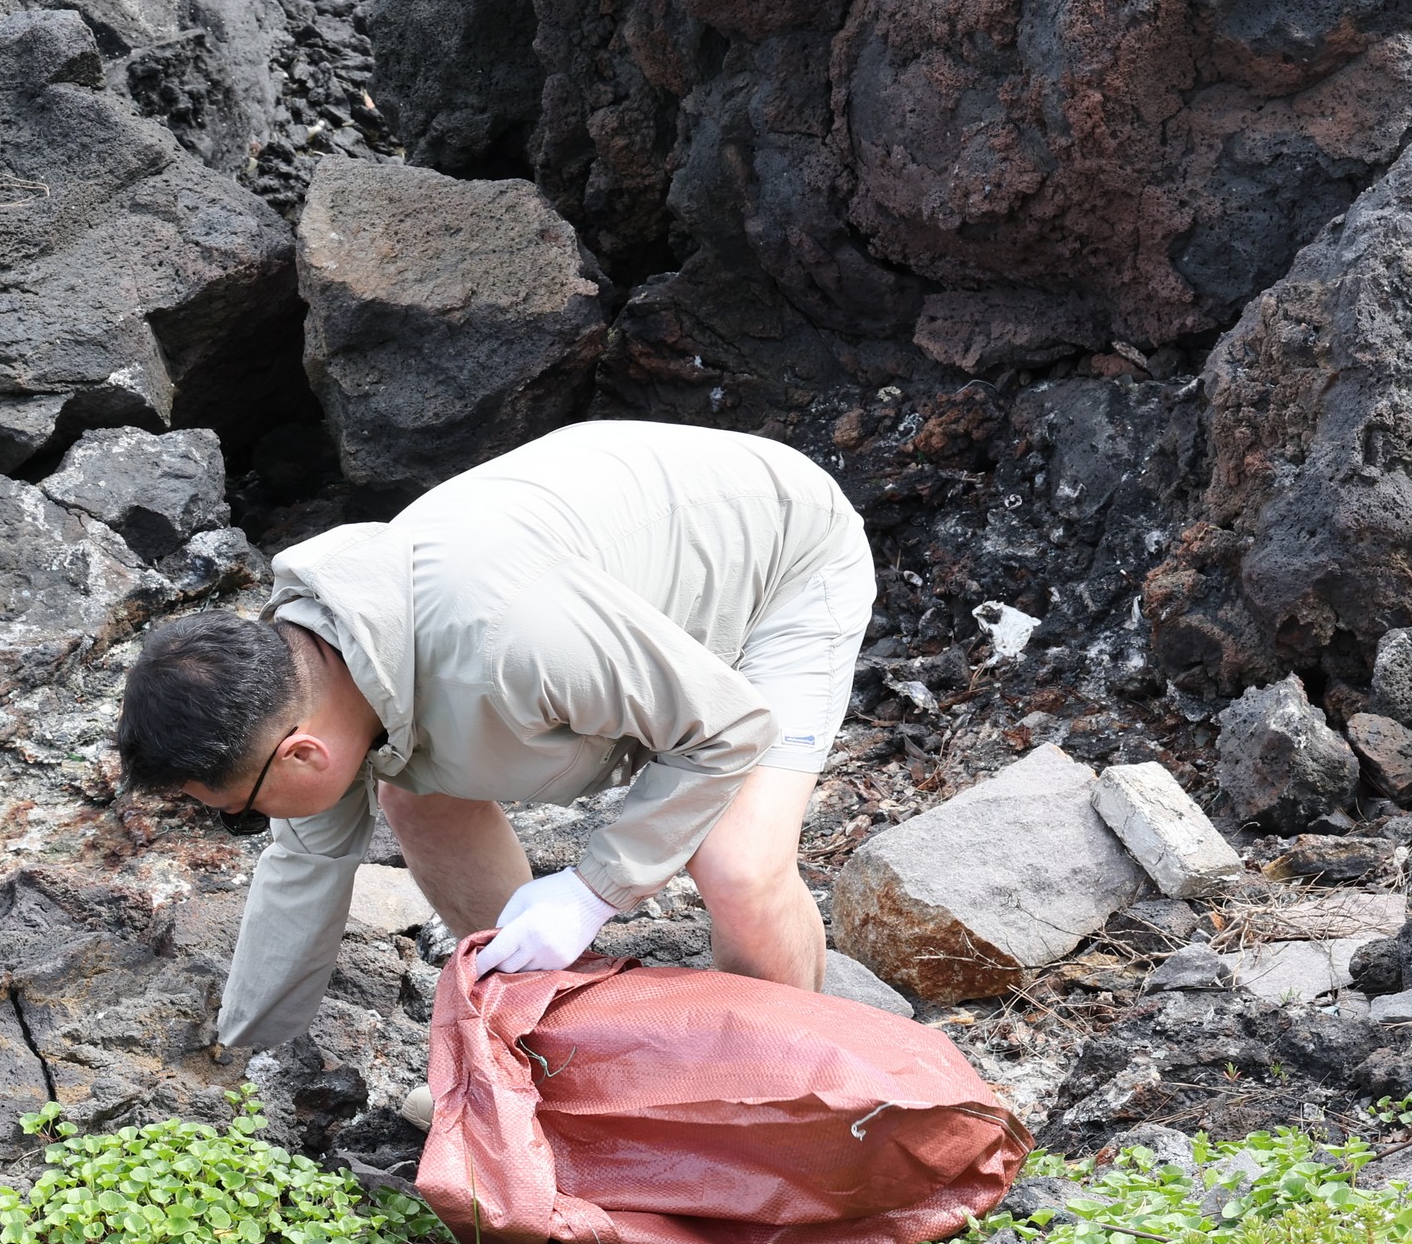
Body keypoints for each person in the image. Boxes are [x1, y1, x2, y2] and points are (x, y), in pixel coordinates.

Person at [117, 419, 876, 1053]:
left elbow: (726, 728)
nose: (258, 824)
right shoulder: (316, 670)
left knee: (739, 865)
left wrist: (592, 892)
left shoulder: (507, 639)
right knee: (419, 796)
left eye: (243, 814)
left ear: (302, 754)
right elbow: (305, 869)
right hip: (619, 596)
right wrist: (240, 1055)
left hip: (777, 555)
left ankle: (792, 1093)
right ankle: (560, 1030)